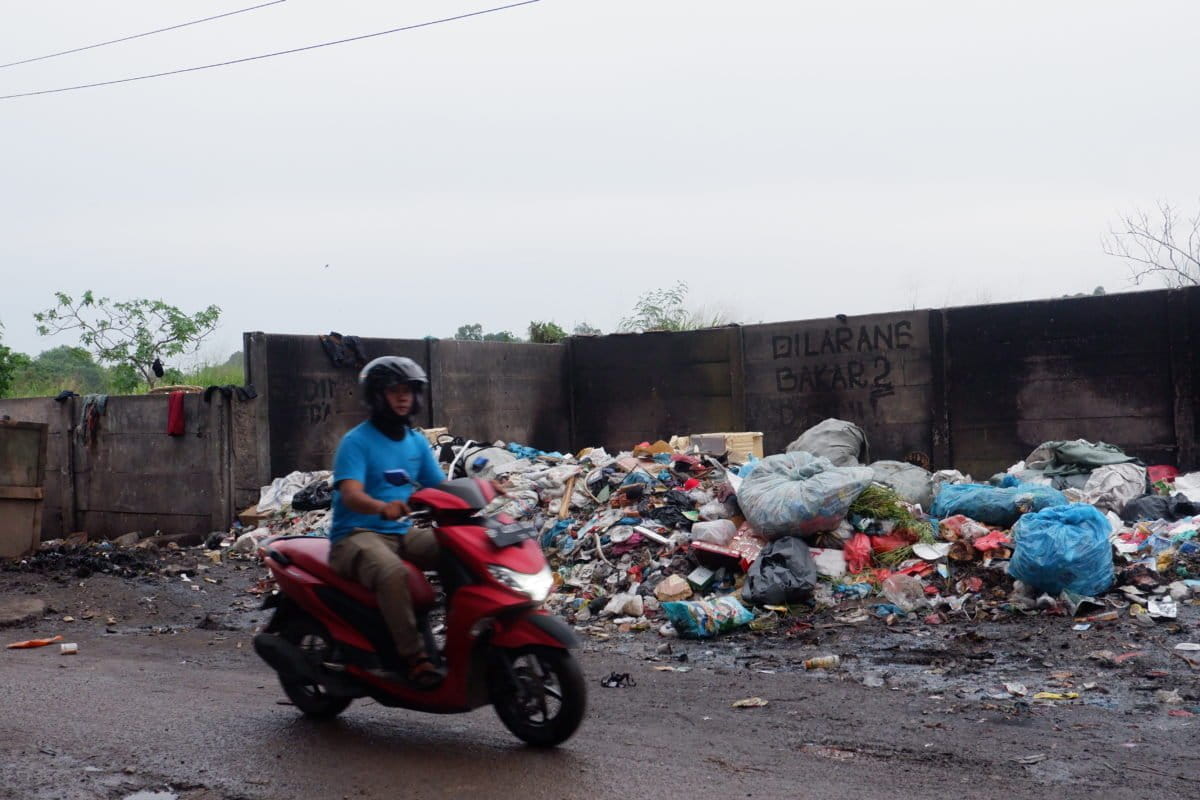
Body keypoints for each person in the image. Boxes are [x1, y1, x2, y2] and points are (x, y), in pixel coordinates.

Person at [327, 356, 445, 688]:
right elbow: (350, 494)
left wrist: (483, 489)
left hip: (400, 533)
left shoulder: (416, 442)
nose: (403, 397)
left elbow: (441, 487)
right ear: (377, 395)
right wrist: (382, 508)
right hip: (355, 535)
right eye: (394, 390)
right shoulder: (356, 441)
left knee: (457, 547)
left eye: (408, 390)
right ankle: (414, 658)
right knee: (393, 572)